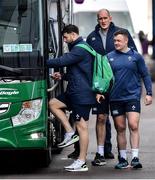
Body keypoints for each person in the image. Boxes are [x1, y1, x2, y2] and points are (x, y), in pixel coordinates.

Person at [68, 8, 137, 165]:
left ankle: (118, 152)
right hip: (102, 84)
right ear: (98, 20)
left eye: (106, 18)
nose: (103, 21)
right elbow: (89, 60)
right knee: (101, 117)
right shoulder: (91, 37)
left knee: (120, 122)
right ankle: (100, 152)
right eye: (100, 18)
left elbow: (133, 53)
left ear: (110, 18)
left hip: (119, 83)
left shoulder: (121, 33)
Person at [97, 29, 153, 169]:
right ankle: (122, 158)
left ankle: (135, 157)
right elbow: (104, 78)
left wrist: (149, 93)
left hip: (132, 96)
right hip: (115, 98)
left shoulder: (136, 57)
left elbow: (145, 75)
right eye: (114, 41)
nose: (116, 43)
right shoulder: (108, 57)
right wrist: (100, 91)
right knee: (120, 128)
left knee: (133, 125)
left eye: (118, 41)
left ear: (126, 41)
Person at [47, 24, 96, 172]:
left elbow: (62, 61)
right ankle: (69, 132)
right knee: (53, 103)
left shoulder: (80, 48)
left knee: (82, 127)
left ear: (73, 34)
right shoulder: (79, 48)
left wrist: (37, 61)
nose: (64, 40)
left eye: (65, 37)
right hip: (74, 92)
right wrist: (62, 76)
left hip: (82, 94)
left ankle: (81, 161)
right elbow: (78, 72)